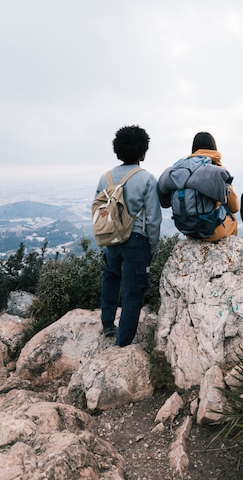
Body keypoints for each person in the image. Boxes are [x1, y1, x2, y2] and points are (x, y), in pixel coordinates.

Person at [95, 125, 162, 346]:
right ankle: (122, 343)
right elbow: (153, 218)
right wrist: (152, 245)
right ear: (143, 152)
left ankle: (107, 324)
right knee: (133, 290)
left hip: (111, 239)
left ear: (118, 150)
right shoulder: (147, 179)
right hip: (136, 241)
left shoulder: (105, 178)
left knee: (111, 276)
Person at [159, 131, 239, 242]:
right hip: (211, 231)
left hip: (188, 229)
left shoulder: (182, 168)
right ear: (213, 147)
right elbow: (234, 207)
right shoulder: (217, 170)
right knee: (233, 219)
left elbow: (165, 202)